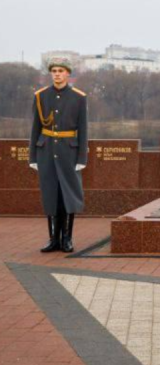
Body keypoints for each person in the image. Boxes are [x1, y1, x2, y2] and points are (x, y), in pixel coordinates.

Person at [28, 56, 88, 253]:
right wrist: (33, 157)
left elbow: (83, 129)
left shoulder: (79, 97)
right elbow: (36, 128)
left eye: (61, 71)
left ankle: (67, 239)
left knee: (68, 195)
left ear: (68, 74)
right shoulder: (41, 96)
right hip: (46, 151)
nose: (57, 75)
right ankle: (53, 239)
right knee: (51, 194)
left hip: (68, 152)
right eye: (54, 71)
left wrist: (81, 158)